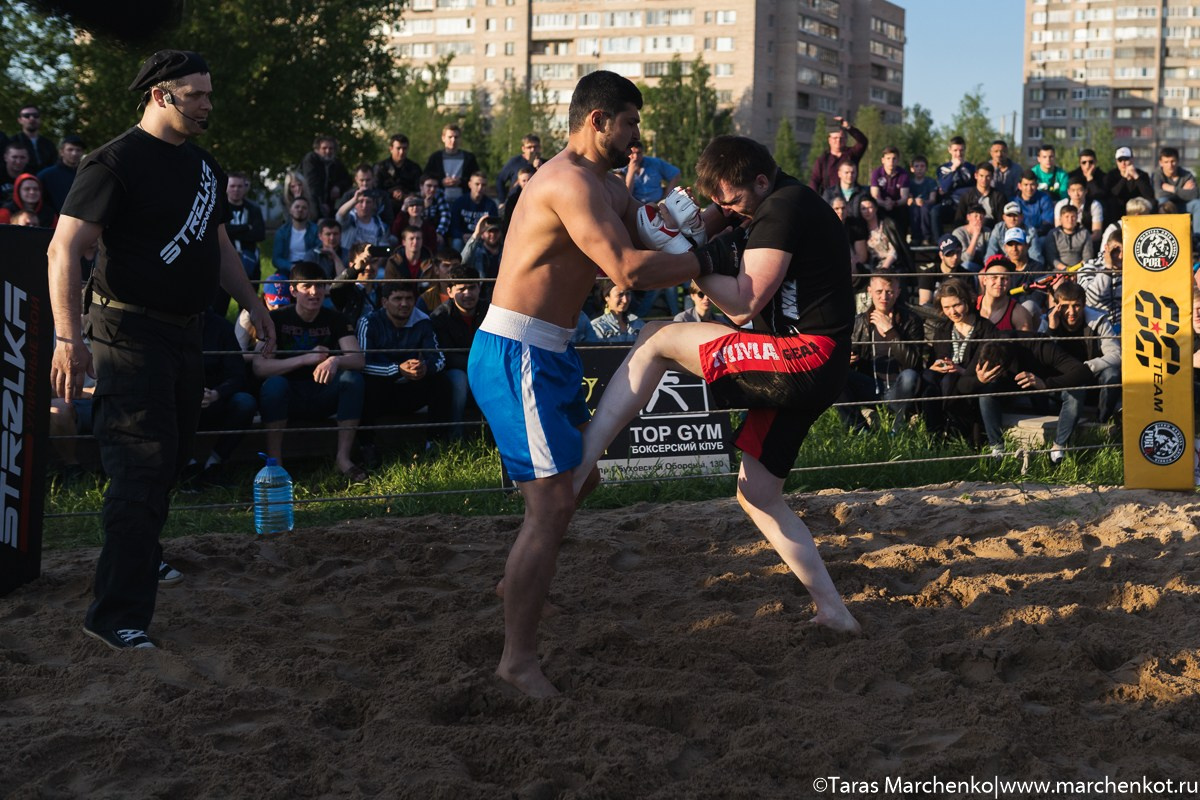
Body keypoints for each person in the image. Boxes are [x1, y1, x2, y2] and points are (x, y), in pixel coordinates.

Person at [465, 70, 738, 697]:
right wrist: (703, 262)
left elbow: (648, 232)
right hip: (516, 352)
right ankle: (517, 664)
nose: (637, 136)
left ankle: (517, 584)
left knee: (579, 478)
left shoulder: (607, 185)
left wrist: (715, 216)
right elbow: (626, 268)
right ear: (597, 120)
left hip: (549, 352)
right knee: (554, 503)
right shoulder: (565, 182)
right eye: (631, 123)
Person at [572, 132, 863, 679]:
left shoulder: (783, 208)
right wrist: (686, 227)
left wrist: (690, 256)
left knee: (656, 336)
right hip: (810, 361)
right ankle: (834, 611)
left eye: (731, 199)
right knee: (758, 495)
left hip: (803, 356)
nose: (725, 209)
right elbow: (702, 226)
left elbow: (743, 303)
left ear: (759, 179)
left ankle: (582, 463)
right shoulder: (765, 200)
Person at [47, 49, 275, 651]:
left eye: (208, 92)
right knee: (140, 465)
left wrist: (251, 302)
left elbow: (219, 242)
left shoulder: (202, 165)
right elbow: (64, 249)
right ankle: (114, 614)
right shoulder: (113, 162)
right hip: (126, 333)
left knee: (171, 458)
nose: (207, 103)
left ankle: (141, 557)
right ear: (160, 96)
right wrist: (68, 339)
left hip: (186, 331)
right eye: (195, 94)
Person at [254, 260, 366, 481]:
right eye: (307, 286)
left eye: (320, 286)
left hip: (323, 393)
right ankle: (276, 462)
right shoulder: (277, 319)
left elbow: (357, 359)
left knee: (353, 380)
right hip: (288, 395)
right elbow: (260, 367)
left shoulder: (335, 318)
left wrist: (334, 360)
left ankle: (343, 459)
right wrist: (305, 359)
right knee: (274, 385)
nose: (314, 292)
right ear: (294, 291)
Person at [959, 337, 1093, 460]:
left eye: (998, 373)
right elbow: (962, 385)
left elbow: (1083, 371)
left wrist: (1046, 384)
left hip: (1047, 382)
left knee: (1076, 392)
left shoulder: (1040, 347)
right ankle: (997, 450)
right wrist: (980, 380)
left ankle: (1058, 448)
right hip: (1008, 389)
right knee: (985, 394)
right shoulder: (989, 344)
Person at [357, 281, 444, 462]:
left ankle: (434, 444)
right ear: (384, 302)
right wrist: (397, 370)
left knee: (441, 382)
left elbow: (439, 358)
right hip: (380, 389)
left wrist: (425, 368)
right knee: (364, 384)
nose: (404, 304)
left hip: (410, 386)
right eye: (397, 299)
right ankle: (367, 446)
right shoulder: (369, 322)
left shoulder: (423, 321)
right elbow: (362, 364)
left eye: (409, 298)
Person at [838, 274, 925, 434]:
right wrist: (847, 360)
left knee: (909, 376)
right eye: (879, 291)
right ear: (870, 291)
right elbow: (848, 357)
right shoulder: (859, 322)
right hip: (871, 387)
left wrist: (891, 332)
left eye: (889, 291)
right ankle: (860, 430)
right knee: (836, 373)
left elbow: (913, 363)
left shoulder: (911, 320)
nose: (884, 297)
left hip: (899, 389)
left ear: (898, 292)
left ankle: (897, 430)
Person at [181, 307, 257, 488]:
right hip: (180, 401)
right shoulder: (168, 326)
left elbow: (237, 374)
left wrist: (217, 393)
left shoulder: (221, 327)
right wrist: (189, 394)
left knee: (245, 403)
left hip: (217, 398)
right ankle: (186, 465)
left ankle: (215, 462)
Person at [1045, 280, 1121, 430]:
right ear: (1056, 306)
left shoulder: (1098, 320)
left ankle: (1101, 423)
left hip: (1092, 381)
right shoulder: (1047, 320)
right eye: (1065, 306)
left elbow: (1116, 354)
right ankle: (1049, 419)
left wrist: (1088, 367)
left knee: (1112, 373)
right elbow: (1041, 357)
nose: (1071, 312)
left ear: (1084, 304)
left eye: (1076, 305)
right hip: (1062, 382)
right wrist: (1051, 331)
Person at [430, 266, 488, 441]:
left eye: (472, 287)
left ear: (479, 288)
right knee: (458, 379)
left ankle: (497, 438)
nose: (468, 294)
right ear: (449, 291)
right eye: (461, 289)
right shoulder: (440, 316)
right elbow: (446, 356)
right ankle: (455, 437)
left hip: (485, 368)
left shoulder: (490, 311)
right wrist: (477, 366)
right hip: (457, 371)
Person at [215, 170, 266, 314]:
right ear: (226, 188)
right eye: (232, 186)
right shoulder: (219, 206)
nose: (236, 190)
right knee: (219, 306)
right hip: (223, 262)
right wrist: (245, 227)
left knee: (247, 309)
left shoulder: (253, 209)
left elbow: (259, 234)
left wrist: (231, 230)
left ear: (245, 187)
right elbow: (217, 231)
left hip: (249, 262)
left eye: (239, 186)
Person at [809, 115, 868, 194]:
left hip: (850, 197)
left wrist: (849, 127)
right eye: (835, 138)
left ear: (845, 139)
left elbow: (863, 142)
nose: (838, 141)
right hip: (829, 198)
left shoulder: (852, 154)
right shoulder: (823, 160)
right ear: (829, 140)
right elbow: (814, 181)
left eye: (841, 138)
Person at [424, 123, 480, 204]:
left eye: (456, 137)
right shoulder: (435, 158)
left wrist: (460, 181)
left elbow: (476, 178)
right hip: (440, 201)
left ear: (460, 139)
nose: (453, 140)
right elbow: (426, 177)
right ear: (443, 138)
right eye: (450, 137)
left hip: (464, 200)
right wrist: (441, 181)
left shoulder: (469, 158)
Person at [976, 258, 1035, 332]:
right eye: (994, 277)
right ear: (984, 280)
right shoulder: (972, 305)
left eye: (1004, 278)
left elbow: (1027, 343)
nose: (999, 282)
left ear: (1010, 282)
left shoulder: (1019, 314)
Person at [1152, 146, 1200, 235]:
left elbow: (1195, 194)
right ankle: (1165, 233)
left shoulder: (1187, 175)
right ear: (1161, 163)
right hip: (1166, 207)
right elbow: (1158, 194)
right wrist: (1183, 191)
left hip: (1182, 206)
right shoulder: (1157, 175)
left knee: (1197, 204)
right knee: (1163, 201)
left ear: (1177, 161)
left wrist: (1173, 189)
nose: (1170, 165)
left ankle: (1197, 237)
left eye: (1173, 161)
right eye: (1166, 162)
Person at [300, 135, 351, 218]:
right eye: (324, 148)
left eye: (331, 148)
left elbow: (348, 180)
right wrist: (321, 204)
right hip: (310, 202)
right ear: (317, 149)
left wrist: (338, 187)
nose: (328, 151)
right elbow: (312, 184)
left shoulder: (336, 163)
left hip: (330, 204)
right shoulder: (311, 160)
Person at [447, 171, 499, 250]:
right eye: (477, 184)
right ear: (470, 184)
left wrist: (478, 236)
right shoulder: (459, 202)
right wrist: (462, 235)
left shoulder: (491, 205)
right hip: (462, 237)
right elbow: (454, 226)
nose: (480, 188)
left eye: (483, 185)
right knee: (456, 242)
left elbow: (493, 227)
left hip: (482, 238)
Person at [1104, 147, 1155, 225]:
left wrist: (1136, 176)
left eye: (1126, 159)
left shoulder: (1142, 175)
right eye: (1120, 160)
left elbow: (1149, 194)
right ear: (1116, 162)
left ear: (1132, 160)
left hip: (1136, 207)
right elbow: (1114, 193)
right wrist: (1124, 178)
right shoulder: (1111, 175)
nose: (1123, 163)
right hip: (1118, 208)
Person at [935, 136, 975, 235]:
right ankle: (937, 242)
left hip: (967, 204)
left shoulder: (972, 168)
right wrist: (954, 168)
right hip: (950, 204)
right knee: (934, 212)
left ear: (965, 150)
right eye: (955, 150)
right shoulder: (943, 168)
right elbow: (945, 187)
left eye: (961, 150)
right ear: (949, 150)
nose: (958, 153)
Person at [868, 146, 910, 239]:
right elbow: (874, 195)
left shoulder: (903, 174)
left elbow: (904, 197)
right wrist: (884, 203)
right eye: (888, 158)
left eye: (894, 159)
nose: (891, 161)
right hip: (881, 205)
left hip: (897, 205)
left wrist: (893, 203)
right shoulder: (876, 173)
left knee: (904, 213)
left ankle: (902, 242)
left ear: (898, 160)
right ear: (883, 160)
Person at [375, 133, 422, 215]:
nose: (401, 152)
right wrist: (391, 193)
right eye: (398, 148)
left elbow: (420, 189)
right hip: (385, 208)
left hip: (409, 209)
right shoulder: (380, 168)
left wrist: (407, 195)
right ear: (391, 149)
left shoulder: (414, 168)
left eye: (404, 148)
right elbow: (375, 189)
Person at [917, 234, 971, 306]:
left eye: (958, 252)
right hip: (934, 315)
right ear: (941, 255)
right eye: (950, 253)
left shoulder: (966, 275)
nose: (955, 257)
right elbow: (924, 303)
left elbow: (970, 302)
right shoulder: (929, 273)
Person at [37, 134, 85, 214]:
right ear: (61, 152)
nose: (74, 153)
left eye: (78, 150)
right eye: (70, 149)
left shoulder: (85, 175)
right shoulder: (46, 175)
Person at [271, 196, 318, 273]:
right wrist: (291, 267)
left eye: (304, 208)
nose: (300, 210)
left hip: (310, 269)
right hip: (288, 270)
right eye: (297, 207)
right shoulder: (282, 232)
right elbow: (276, 259)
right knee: (270, 283)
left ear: (308, 212)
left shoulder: (316, 230)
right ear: (290, 210)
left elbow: (318, 250)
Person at [955, 162, 1007, 227]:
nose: (984, 179)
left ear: (992, 177)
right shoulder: (967, 195)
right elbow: (959, 219)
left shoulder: (999, 197)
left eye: (987, 176)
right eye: (981, 176)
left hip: (992, 231)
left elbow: (1001, 221)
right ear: (976, 176)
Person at [1044, 203, 1094, 272]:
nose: (1070, 220)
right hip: (1058, 271)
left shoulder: (1084, 233)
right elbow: (1051, 257)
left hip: (1080, 270)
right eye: (1067, 217)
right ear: (1061, 218)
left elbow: (1087, 257)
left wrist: (1076, 270)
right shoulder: (1053, 234)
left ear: (1077, 218)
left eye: (1073, 216)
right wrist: (1066, 269)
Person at [12, 104, 57, 174]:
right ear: (20, 120)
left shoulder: (48, 144)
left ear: (40, 119)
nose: (32, 118)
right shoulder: (12, 142)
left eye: (36, 115)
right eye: (27, 116)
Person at [496, 134, 542, 200]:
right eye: (529, 147)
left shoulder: (545, 164)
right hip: (515, 202)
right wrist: (502, 200)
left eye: (535, 147)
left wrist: (540, 168)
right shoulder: (514, 162)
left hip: (536, 201)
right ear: (523, 148)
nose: (532, 150)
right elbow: (500, 180)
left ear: (539, 148)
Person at [906, 155, 938, 245]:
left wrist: (924, 202)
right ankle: (915, 237)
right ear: (912, 169)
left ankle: (926, 237)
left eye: (922, 166)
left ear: (926, 168)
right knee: (914, 209)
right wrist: (910, 200)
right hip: (914, 207)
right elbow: (908, 197)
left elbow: (932, 199)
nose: (919, 169)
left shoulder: (930, 181)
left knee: (924, 209)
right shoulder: (909, 183)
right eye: (916, 166)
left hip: (926, 206)